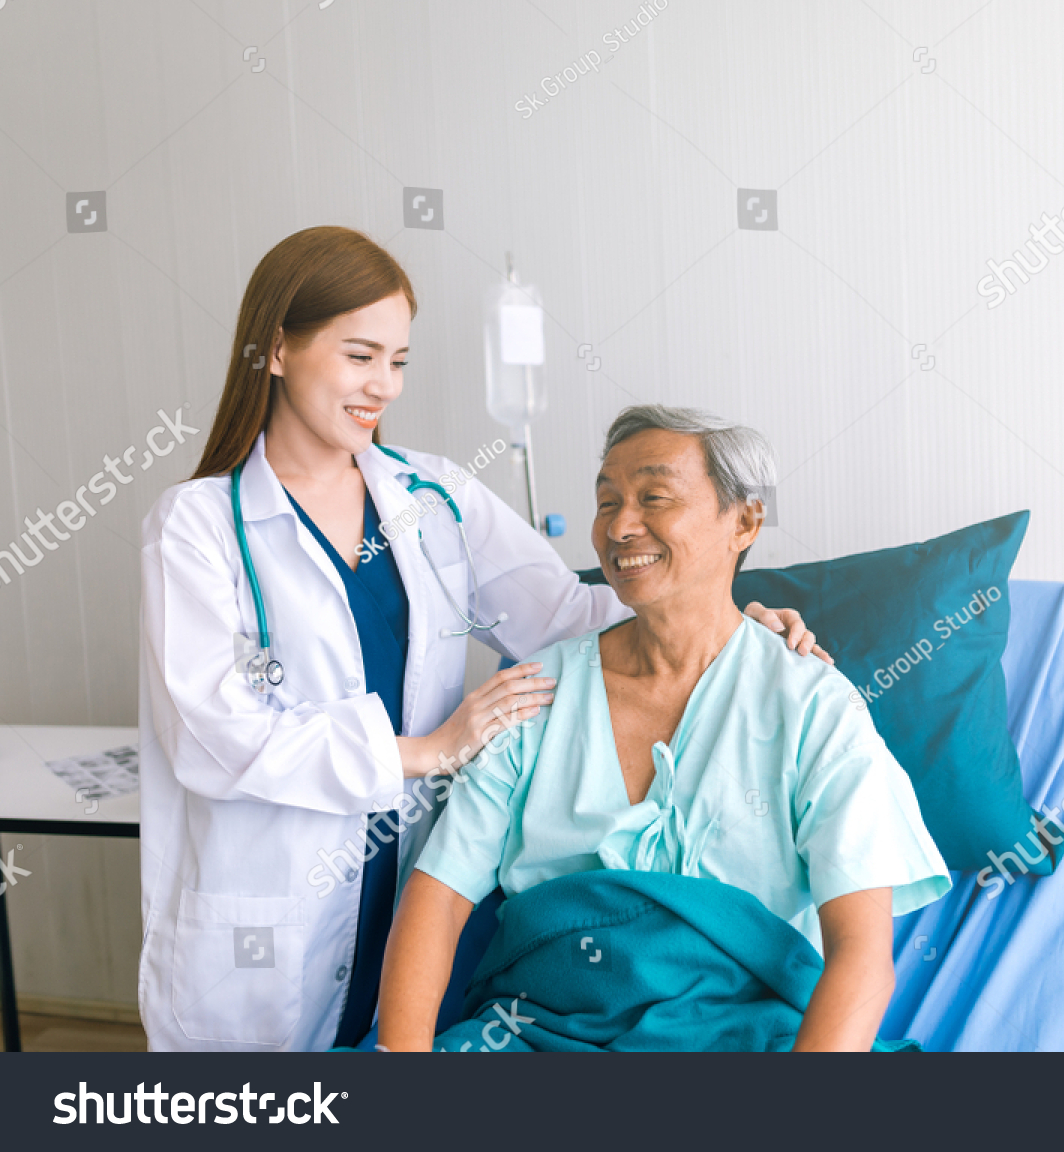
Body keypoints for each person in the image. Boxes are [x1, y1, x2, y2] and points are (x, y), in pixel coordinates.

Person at [137, 228, 825, 1052]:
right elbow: (210, 738)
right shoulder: (197, 527)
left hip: (403, 904)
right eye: (360, 356)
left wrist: (727, 623)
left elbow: (569, 617)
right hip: (263, 926)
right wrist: (424, 751)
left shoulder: (435, 497)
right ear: (278, 348)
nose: (381, 387)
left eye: (397, 362)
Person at [377, 405, 950, 1052]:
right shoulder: (535, 694)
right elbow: (437, 898)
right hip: (539, 1037)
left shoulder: (812, 706)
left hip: (753, 1040)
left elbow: (862, 958)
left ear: (745, 520)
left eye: (654, 497)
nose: (621, 525)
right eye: (606, 502)